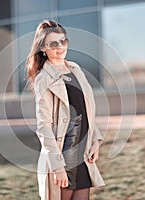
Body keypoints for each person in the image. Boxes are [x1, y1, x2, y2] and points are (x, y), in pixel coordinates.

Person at [26, 20, 105, 200]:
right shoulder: (43, 79)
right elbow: (43, 126)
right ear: (43, 48)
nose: (60, 47)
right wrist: (57, 166)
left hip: (82, 154)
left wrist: (95, 140)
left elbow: (85, 111)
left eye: (63, 41)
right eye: (53, 43)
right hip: (64, 156)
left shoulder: (75, 69)